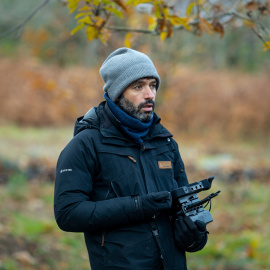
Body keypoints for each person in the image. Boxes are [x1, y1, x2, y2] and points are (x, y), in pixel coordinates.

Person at [54, 47, 208, 270]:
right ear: (117, 93)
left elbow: (185, 208)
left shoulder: (166, 143)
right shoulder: (85, 144)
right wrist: (138, 206)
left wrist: (195, 236)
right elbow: (68, 214)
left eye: (152, 85)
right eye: (138, 86)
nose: (150, 94)